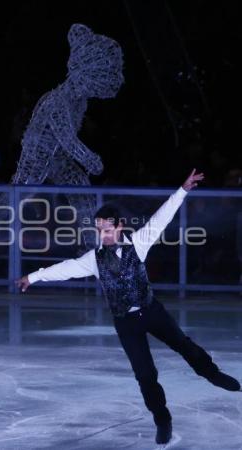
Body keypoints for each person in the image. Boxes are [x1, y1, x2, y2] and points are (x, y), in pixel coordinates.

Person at [16, 169, 241, 445]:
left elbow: (162, 217)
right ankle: (162, 419)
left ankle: (212, 374)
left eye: (108, 231)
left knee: (184, 344)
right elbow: (66, 269)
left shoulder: (138, 243)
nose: (104, 236)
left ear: (119, 226)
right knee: (145, 374)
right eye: (99, 231)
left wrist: (182, 189)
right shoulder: (93, 259)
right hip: (126, 323)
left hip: (152, 311)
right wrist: (33, 276)